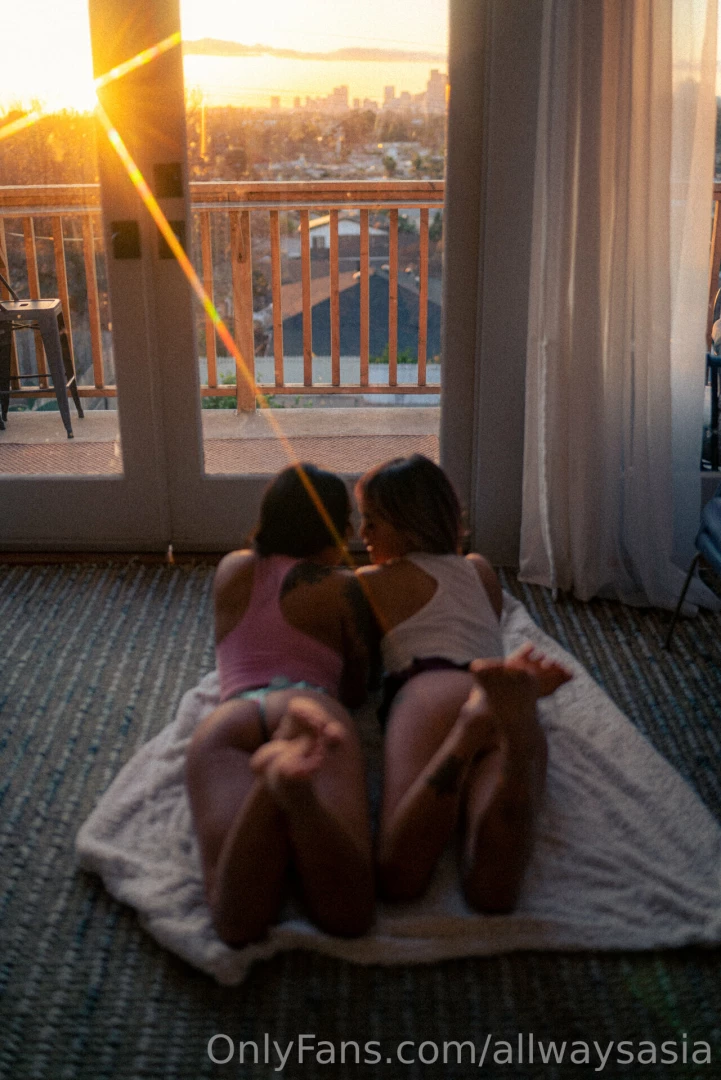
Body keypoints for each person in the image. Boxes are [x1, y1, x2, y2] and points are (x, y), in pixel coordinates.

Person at [355, 455, 572, 914]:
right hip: (491, 683)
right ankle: (513, 742)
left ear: (407, 527)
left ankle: (469, 732)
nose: (362, 534)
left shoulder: (371, 582)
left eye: (372, 522)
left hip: (429, 688)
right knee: (492, 894)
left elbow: (357, 672)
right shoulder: (480, 569)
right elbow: (489, 624)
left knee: (398, 876)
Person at [186, 464, 374, 947]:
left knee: (235, 921)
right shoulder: (342, 586)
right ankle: (294, 794)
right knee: (350, 914)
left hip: (233, 715)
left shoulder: (231, 569)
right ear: (335, 530)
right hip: (308, 704)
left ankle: (271, 787)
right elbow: (358, 689)